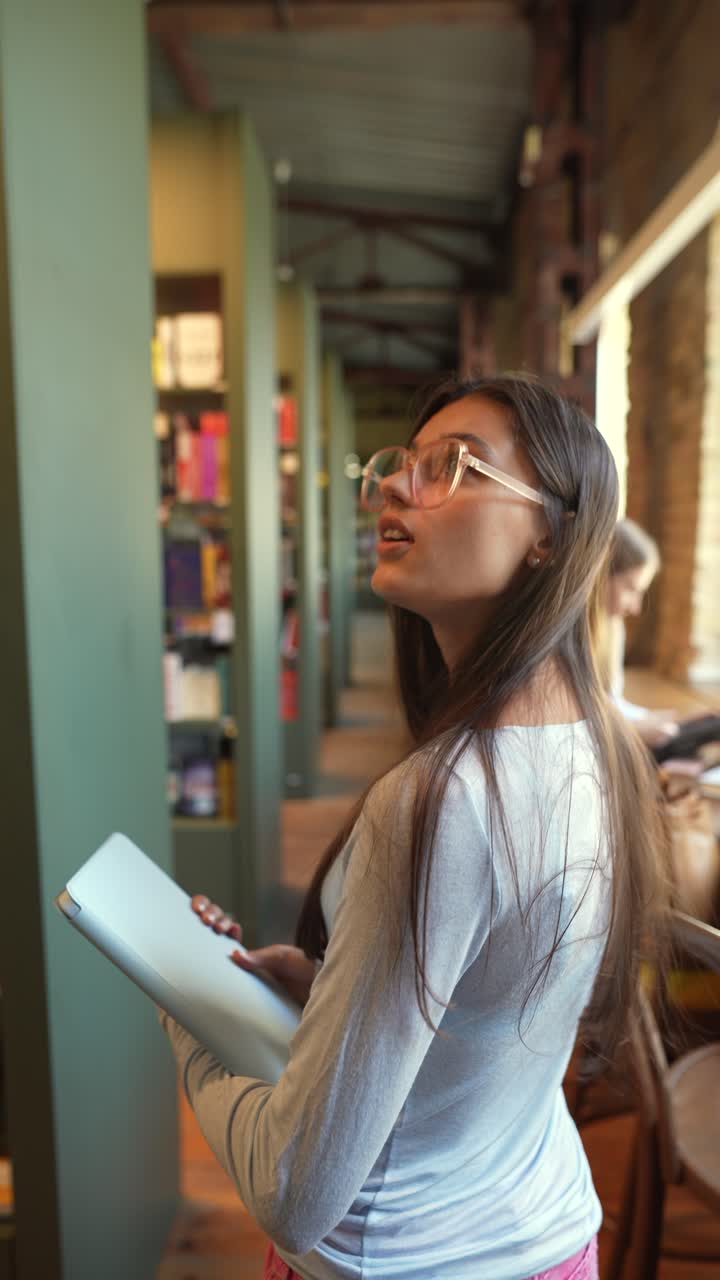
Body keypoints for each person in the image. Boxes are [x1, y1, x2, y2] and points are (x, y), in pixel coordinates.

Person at [160, 374, 667, 1280]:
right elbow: (498, 1010)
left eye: (454, 467)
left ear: (553, 531)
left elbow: (295, 1193)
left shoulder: (443, 800)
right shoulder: (600, 744)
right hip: (549, 1237)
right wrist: (338, 986)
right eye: (399, 466)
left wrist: (191, 1021)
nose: (394, 486)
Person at [604, 518, 720, 764]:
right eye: (630, 588)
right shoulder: (568, 641)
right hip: (613, 746)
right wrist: (636, 729)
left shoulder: (613, 629)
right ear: (600, 575)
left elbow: (613, 703)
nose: (635, 608)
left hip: (624, 731)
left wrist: (650, 718)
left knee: (713, 725)